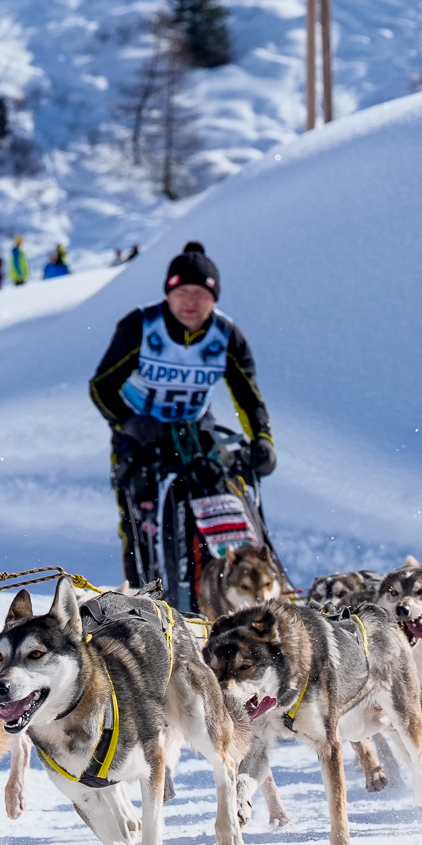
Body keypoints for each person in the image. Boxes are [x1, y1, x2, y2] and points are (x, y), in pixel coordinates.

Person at [89, 240, 274, 586]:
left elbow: (248, 397)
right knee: (140, 522)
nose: (191, 302)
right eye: (182, 292)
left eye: (200, 294)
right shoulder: (140, 326)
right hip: (140, 434)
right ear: (168, 294)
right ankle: (144, 596)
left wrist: (262, 440)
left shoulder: (226, 337)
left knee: (220, 504)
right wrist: (128, 421)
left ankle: (227, 588)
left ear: (214, 298)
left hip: (194, 431)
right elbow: (101, 387)